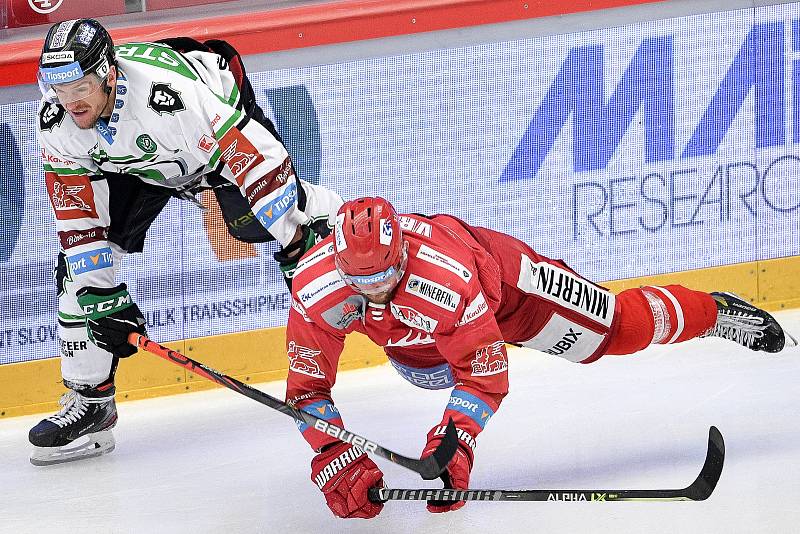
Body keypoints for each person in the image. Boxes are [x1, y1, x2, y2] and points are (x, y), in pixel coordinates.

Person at [285, 196, 791, 519]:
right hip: (425, 346)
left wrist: (455, 442)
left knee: (614, 330)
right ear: (338, 264)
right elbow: (307, 390)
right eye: (361, 282)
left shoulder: (445, 281)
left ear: (402, 257)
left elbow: (482, 378)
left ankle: (712, 312)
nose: (374, 292)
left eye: (384, 277)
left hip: (509, 292)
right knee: (425, 367)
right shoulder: (317, 286)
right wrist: (332, 455)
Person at [29, 18, 343, 465]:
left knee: (263, 220)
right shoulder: (55, 120)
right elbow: (79, 218)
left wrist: (294, 241)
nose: (68, 101)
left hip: (207, 139)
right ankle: (92, 404)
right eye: (57, 88)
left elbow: (257, 160)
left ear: (108, 73)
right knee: (78, 277)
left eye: (78, 86)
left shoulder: (171, 98)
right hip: (139, 165)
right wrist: (102, 296)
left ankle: (347, 228)